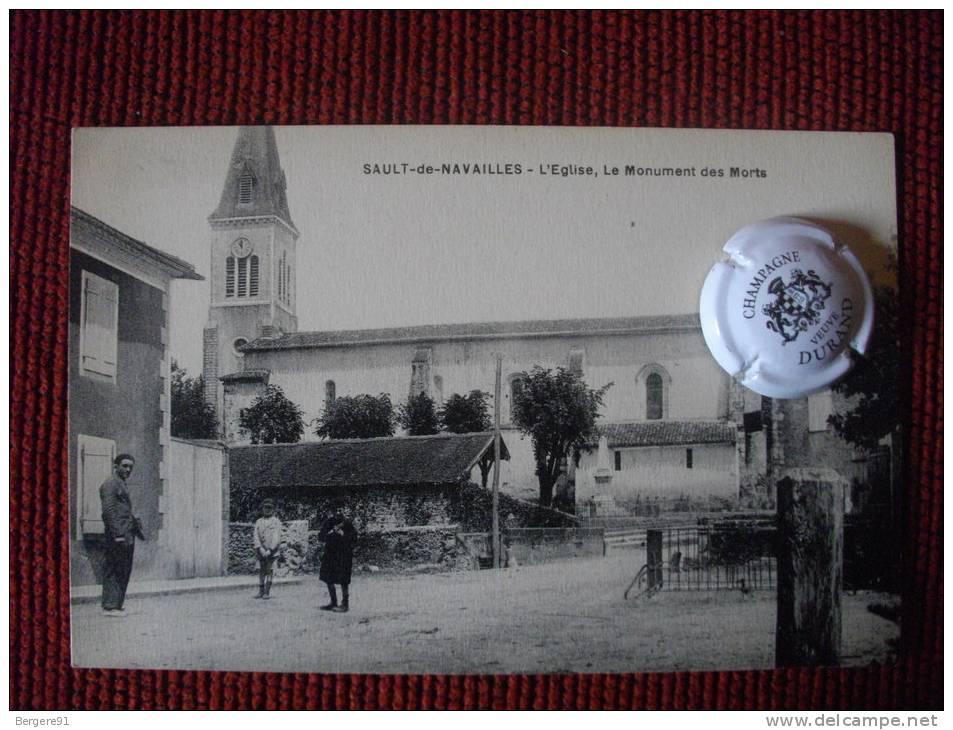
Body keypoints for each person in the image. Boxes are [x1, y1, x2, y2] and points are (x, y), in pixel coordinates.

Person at [100, 453, 144, 616]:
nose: (127, 469)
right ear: (116, 466)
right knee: (114, 568)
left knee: (124, 569)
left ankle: (116, 604)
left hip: (127, 533)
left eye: (130, 467)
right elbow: (109, 511)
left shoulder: (121, 484)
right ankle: (110, 606)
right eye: (124, 466)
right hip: (117, 535)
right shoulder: (110, 484)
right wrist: (118, 534)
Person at [318, 506, 357, 613]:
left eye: (340, 510)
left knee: (343, 580)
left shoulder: (347, 524)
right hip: (330, 555)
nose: (338, 512)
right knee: (328, 578)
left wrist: (342, 534)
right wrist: (329, 532)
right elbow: (320, 536)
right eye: (336, 510)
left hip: (343, 556)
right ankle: (333, 602)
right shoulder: (329, 522)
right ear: (333, 511)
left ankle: (345, 604)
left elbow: (354, 538)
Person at [253, 498, 282, 599]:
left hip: (272, 553)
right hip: (260, 552)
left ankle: (267, 592)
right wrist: (260, 548)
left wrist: (270, 550)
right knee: (261, 571)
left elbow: (276, 537)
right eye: (265, 507)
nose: (267, 510)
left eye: (270, 508)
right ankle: (260, 591)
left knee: (269, 571)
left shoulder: (276, 522)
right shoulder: (258, 521)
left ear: (273, 509)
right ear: (262, 509)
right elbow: (255, 536)